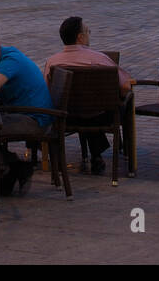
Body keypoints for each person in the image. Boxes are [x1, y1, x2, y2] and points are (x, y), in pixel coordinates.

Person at [43, 16, 132, 176]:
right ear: (80, 37)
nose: (89, 34)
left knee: (83, 107)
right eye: (87, 31)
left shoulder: (52, 62)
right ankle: (120, 155)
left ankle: (95, 155)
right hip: (101, 116)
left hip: (67, 116)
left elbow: (48, 91)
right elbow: (126, 86)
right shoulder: (99, 58)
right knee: (107, 106)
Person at [0, 29, 48, 195]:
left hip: (34, 118)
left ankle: (6, 169)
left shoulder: (10, 60)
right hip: (20, 113)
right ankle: (12, 168)